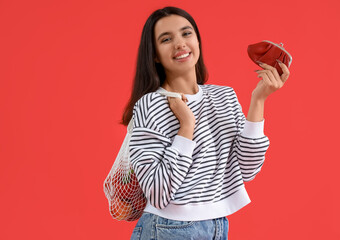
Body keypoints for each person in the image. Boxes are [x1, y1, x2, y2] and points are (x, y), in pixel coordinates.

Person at [120, 6, 290, 240]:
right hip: (166, 228)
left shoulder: (224, 96)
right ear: (155, 55)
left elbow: (247, 169)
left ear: (198, 41)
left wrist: (258, 99)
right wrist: (186, 126)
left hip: (217, 226)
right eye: (166, 39)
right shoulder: (151, 105)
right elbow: (158, 193)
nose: (180, 43)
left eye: (186, 33)